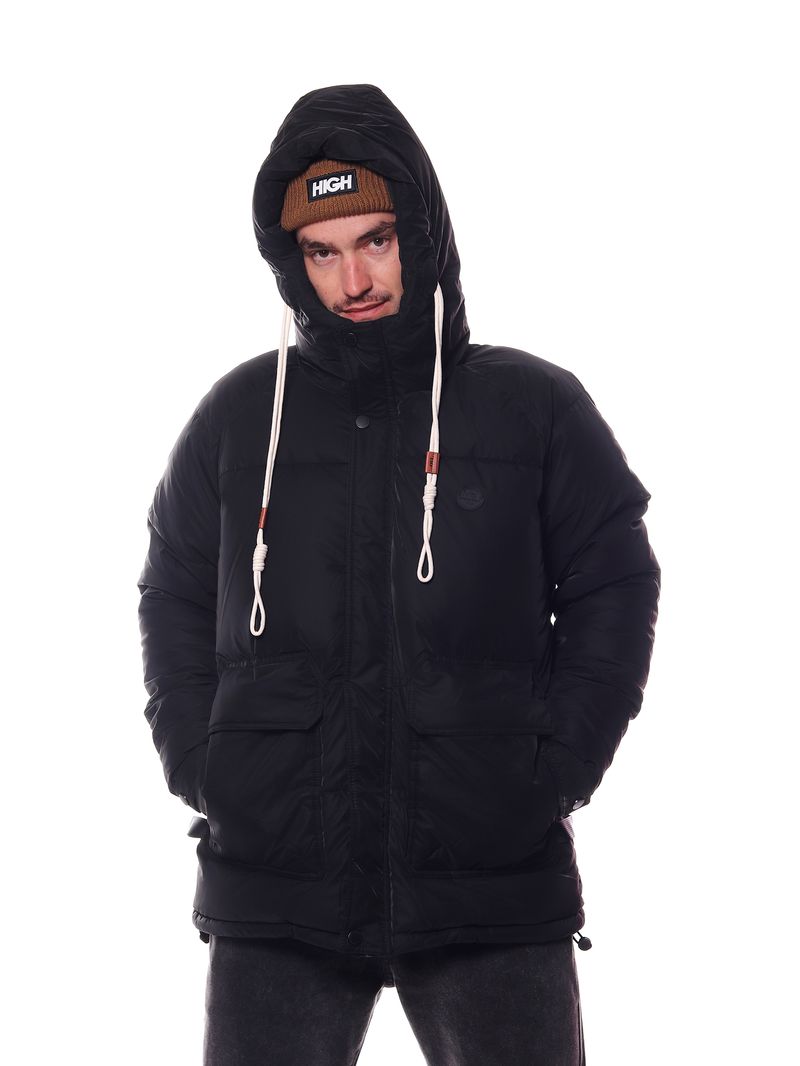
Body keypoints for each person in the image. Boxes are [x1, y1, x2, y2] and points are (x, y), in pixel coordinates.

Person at [138, 83, 661, 1065]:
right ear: (291, 261)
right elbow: (172, 587)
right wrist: (206, 762)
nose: (354, 278)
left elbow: (612, 579)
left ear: (420, 232)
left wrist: (554, 764)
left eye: (375, 239)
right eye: (322, 251)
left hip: (489, 876)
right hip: (278, 882)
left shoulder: (533, 407)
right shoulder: (238, 417)